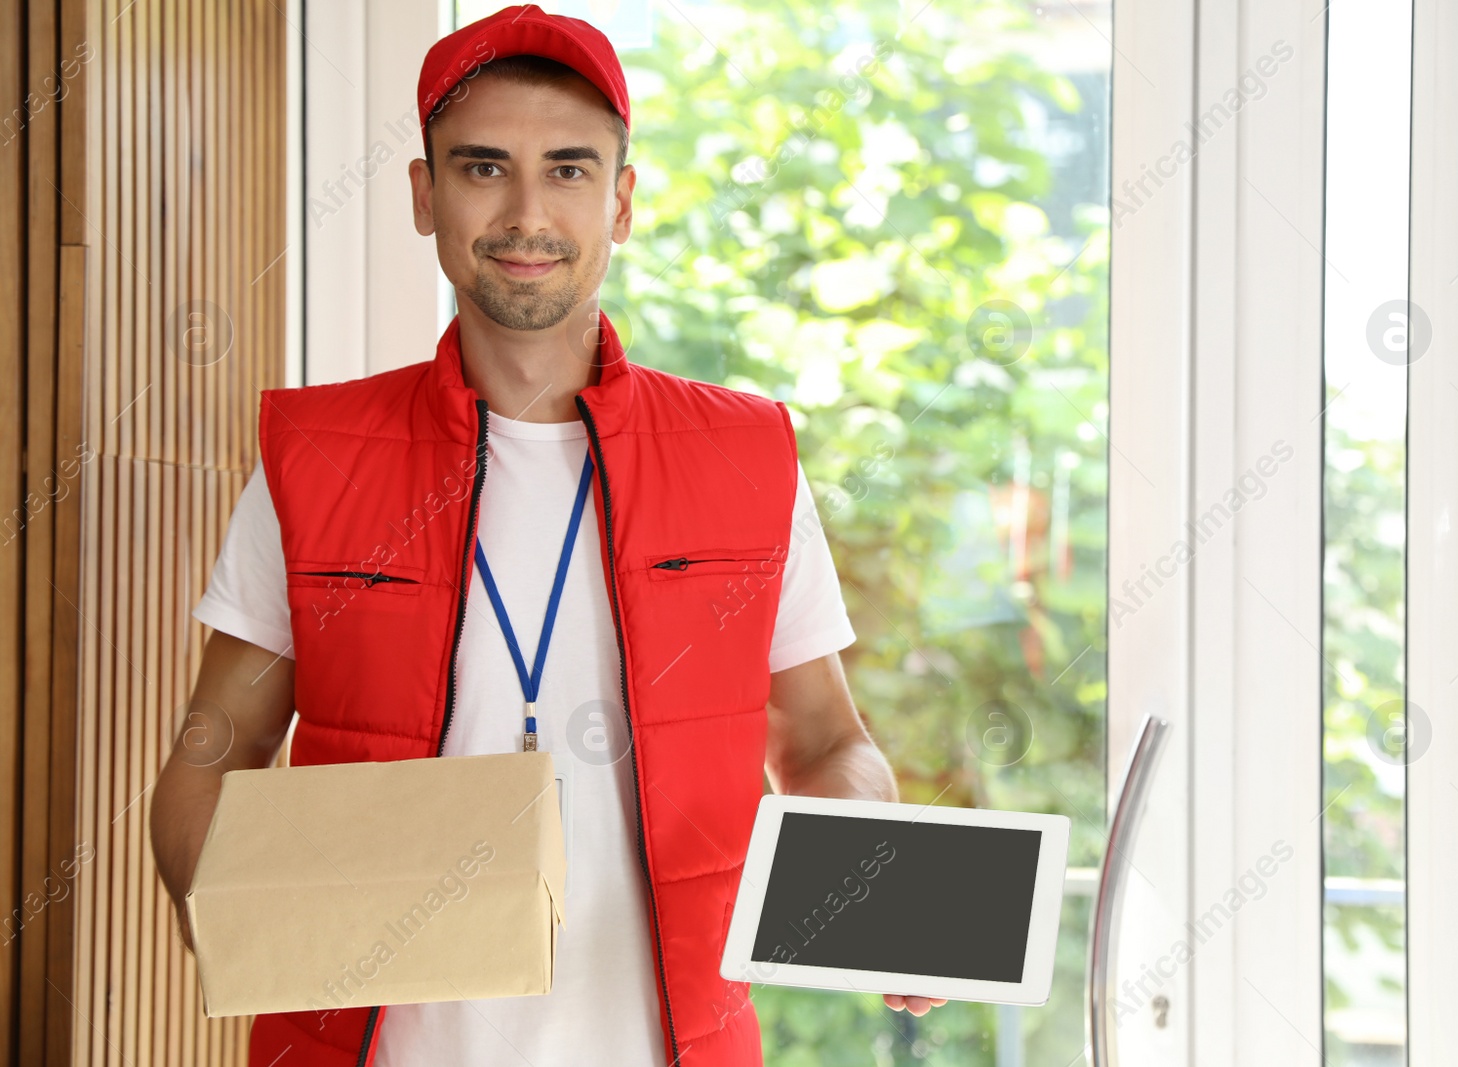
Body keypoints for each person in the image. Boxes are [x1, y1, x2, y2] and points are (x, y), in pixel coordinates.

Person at [149, 6, 944, 1066]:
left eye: (569, 170)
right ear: (425, 196)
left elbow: (826, 744)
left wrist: (875, 877)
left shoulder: (744, 457)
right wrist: (252, 928)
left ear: (621, 200)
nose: (527, 213)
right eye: (484, 167)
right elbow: (215, 749)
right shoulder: (316, 456)